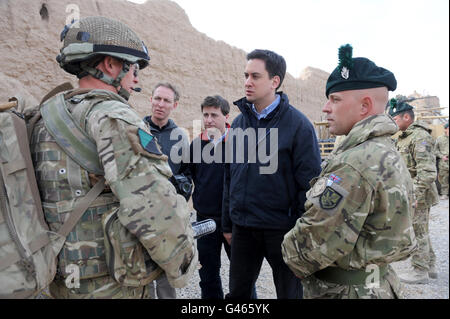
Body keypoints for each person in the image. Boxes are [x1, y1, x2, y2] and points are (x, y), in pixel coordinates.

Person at [30, 16, 197, 298]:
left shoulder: (43, 116)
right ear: (110, 64)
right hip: (109, 286)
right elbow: (152, 206)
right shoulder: (114, 116)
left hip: (55, 280)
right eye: (133, 67)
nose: (136, 79)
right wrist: (184, 259)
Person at [281, 44, 417, 299]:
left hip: (347, 291)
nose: (326, 108)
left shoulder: (354, 163)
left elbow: (311, 246)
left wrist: (289, 254)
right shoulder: (383, 149)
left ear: (364, 106)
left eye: (335, 99)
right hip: (376, 284)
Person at [222, 49, 322, 299]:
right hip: (243, 229)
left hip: (282, 231)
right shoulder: (238, 124)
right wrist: (227, 223)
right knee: (238, 295)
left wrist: (300, 233)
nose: (247, 82)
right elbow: (229, 176)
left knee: (290, 294)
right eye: (246, 75)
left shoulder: (298, 126)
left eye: (255, 76)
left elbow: (309, 186)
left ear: (274, 81)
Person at [180, 95, 256, 299]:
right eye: (205, 115)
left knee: (243, 277)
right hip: (205, 220)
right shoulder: (196, 145)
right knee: (208, 275)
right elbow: (186, 176)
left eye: (214, 115)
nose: (209, 119)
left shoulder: (240, 143)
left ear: (226, 117)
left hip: (236, 220)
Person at [143, 82, 192, 299]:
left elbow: (188, 175)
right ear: (151, 99)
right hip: (139, 214)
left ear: (175, 105)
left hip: (168, 217)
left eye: (166, 100)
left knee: (165, 274)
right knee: (140, 272)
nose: (160, 104)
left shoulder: (180, 137)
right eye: (157, 98)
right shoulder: (137, 129)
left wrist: (178, 201)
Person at [389, 99, 439, 284]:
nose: (393, 122)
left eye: (395, 118)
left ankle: (420, 272)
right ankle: (431, 266)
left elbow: (427, 172)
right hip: (412, 193)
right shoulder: (405, 136)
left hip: (419, 195)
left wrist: (414, 196)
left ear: (407, 117)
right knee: (422, 230)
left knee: (417, 233)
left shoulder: (419, 136)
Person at [435, 122, 449, 200]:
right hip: (444, 162)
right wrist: (441, 156)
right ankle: (444, 194)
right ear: (446, 129)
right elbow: (435, 150)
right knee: (444, 179)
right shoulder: (440, 139)